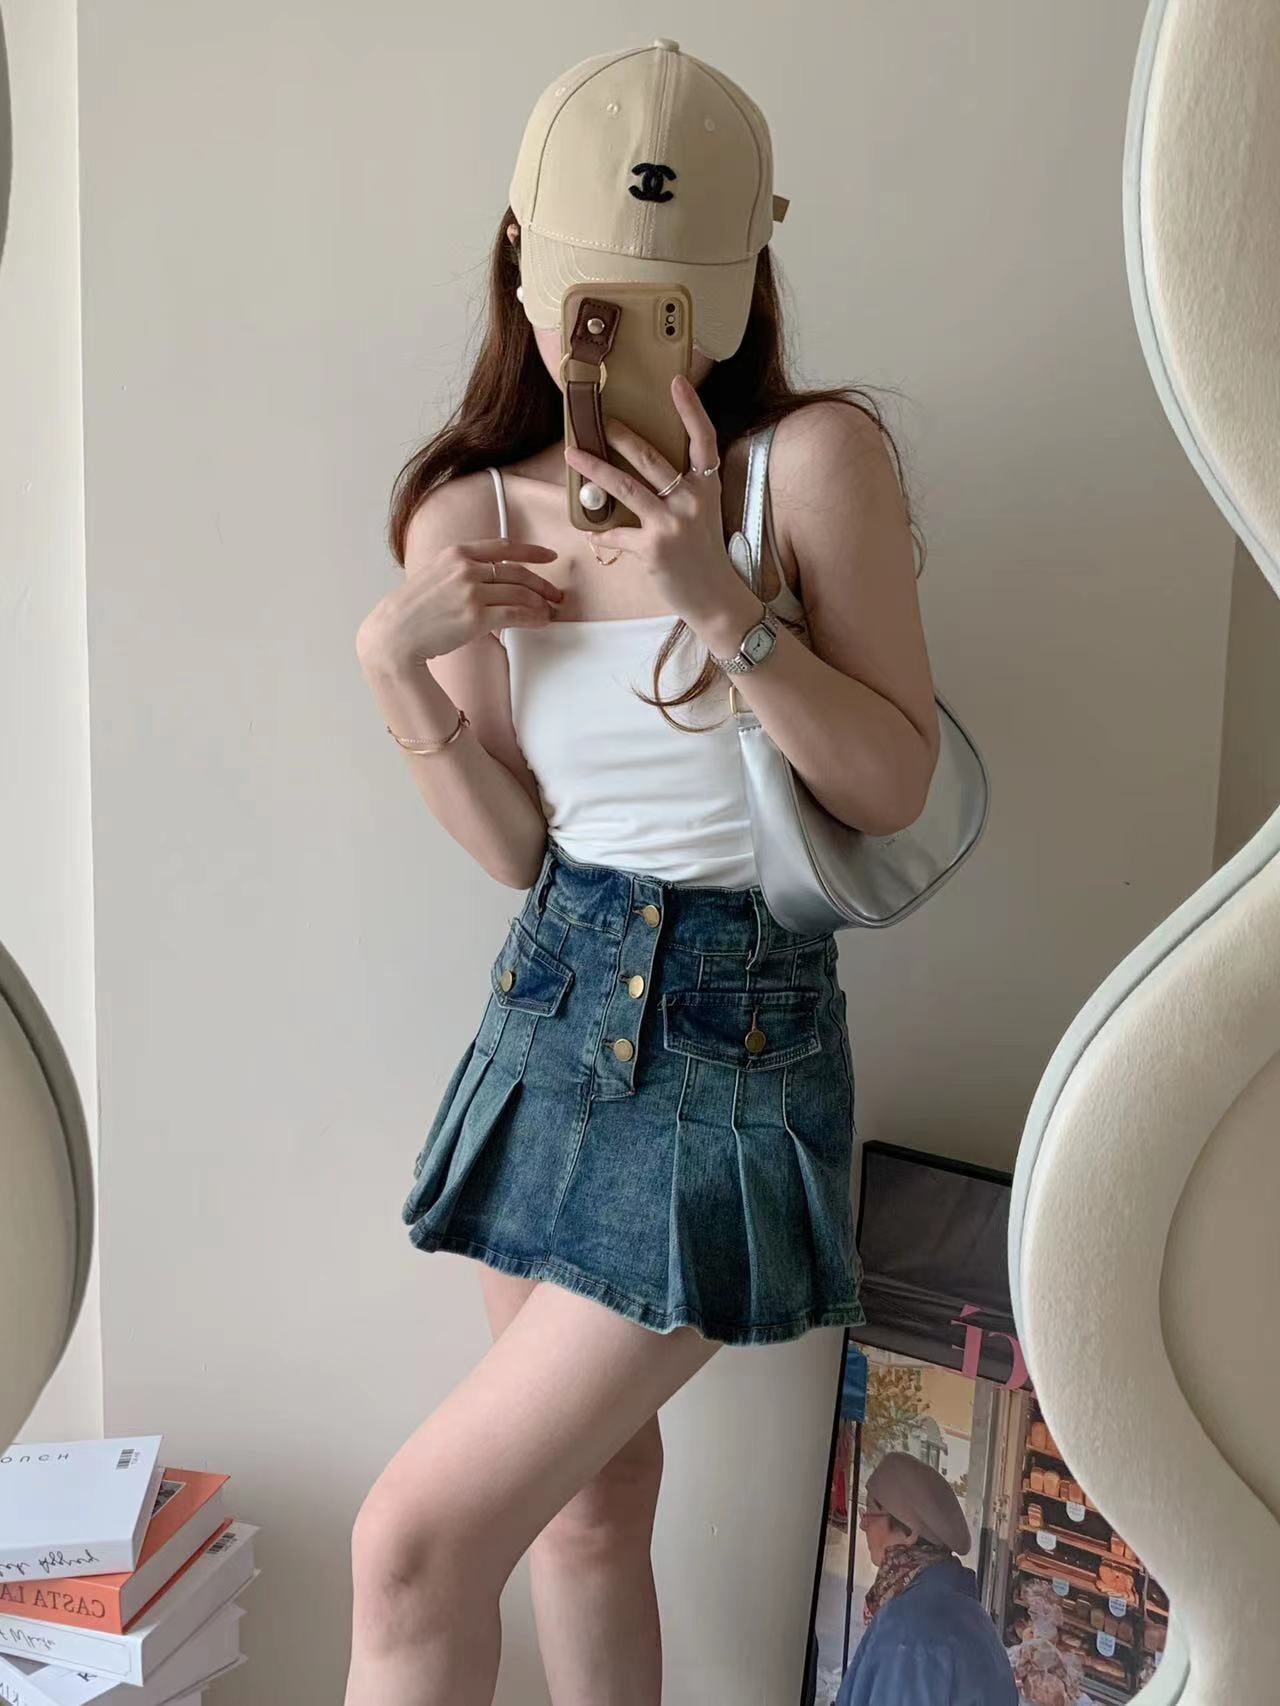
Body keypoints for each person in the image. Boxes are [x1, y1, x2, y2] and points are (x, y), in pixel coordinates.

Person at [349, 37, 939, 1706]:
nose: (609, 331)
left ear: (736, 289)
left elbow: (892, 782)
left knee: (408, 1545)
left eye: (665, 295)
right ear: (522, 263)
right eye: (589, 289)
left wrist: (724, 605)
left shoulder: (812, 463)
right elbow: (513, 848)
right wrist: (395, 665)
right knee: (590, 1509)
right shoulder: (471, 513)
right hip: (546, 1017)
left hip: (729, 1037)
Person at [836, 1452, 1018, 1706]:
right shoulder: (973, 1615)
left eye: (871, 1512)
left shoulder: (908, 1632)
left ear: (910, 1531)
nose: (863, 1524)